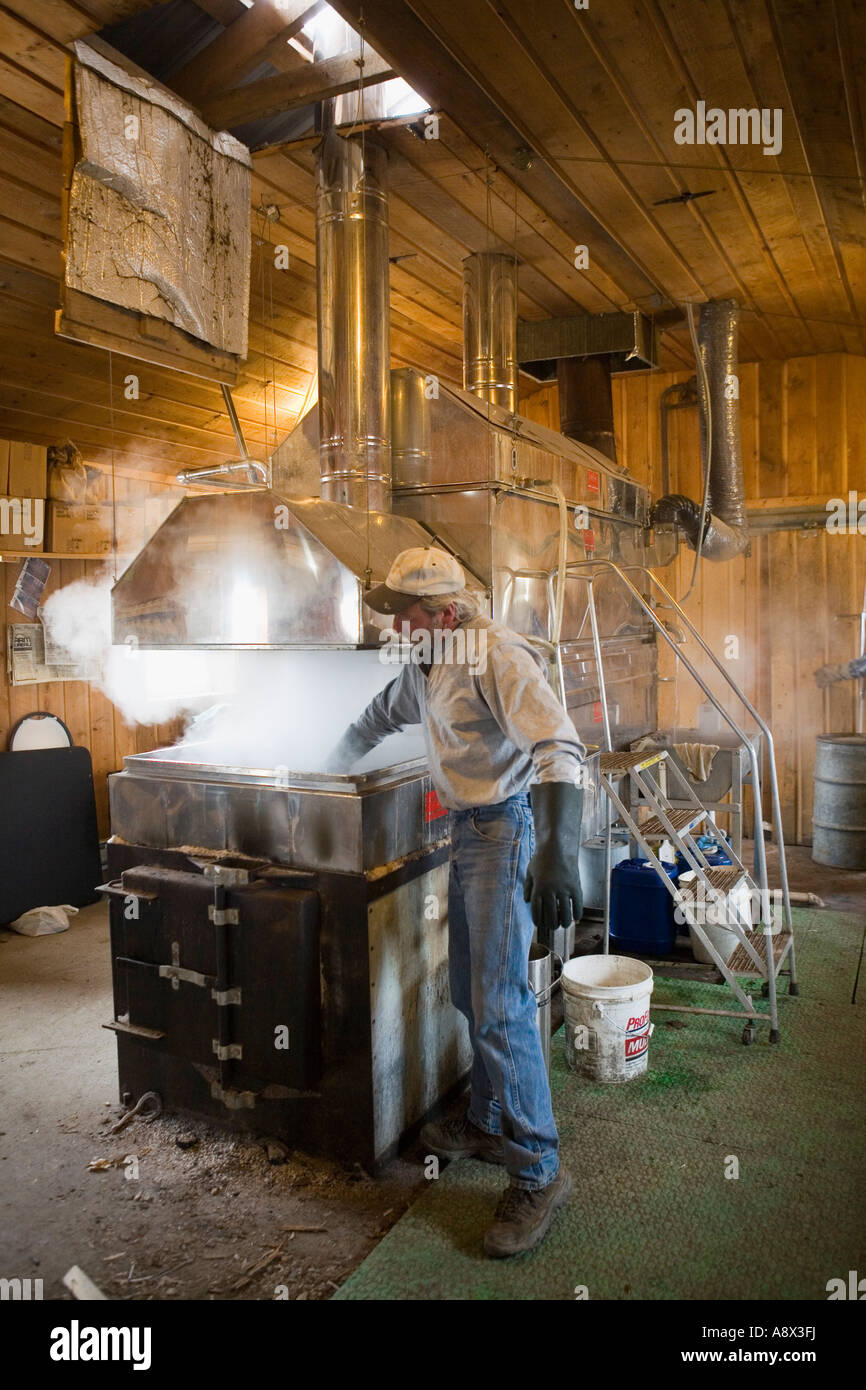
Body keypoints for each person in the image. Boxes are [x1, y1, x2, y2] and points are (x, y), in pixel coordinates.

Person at [327, 545, 585, 1257]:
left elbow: (559, 747)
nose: (393, 628)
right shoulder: (427, 662)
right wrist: (322, 765)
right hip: (468, 835)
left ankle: (539, 1169)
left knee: (501, 1002)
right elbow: (375, 720)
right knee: (475, 996)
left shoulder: (493, 654)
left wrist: (558, 849)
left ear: (442, 611)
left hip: (506, 830)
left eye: (402, 616)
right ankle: (488, 1116)